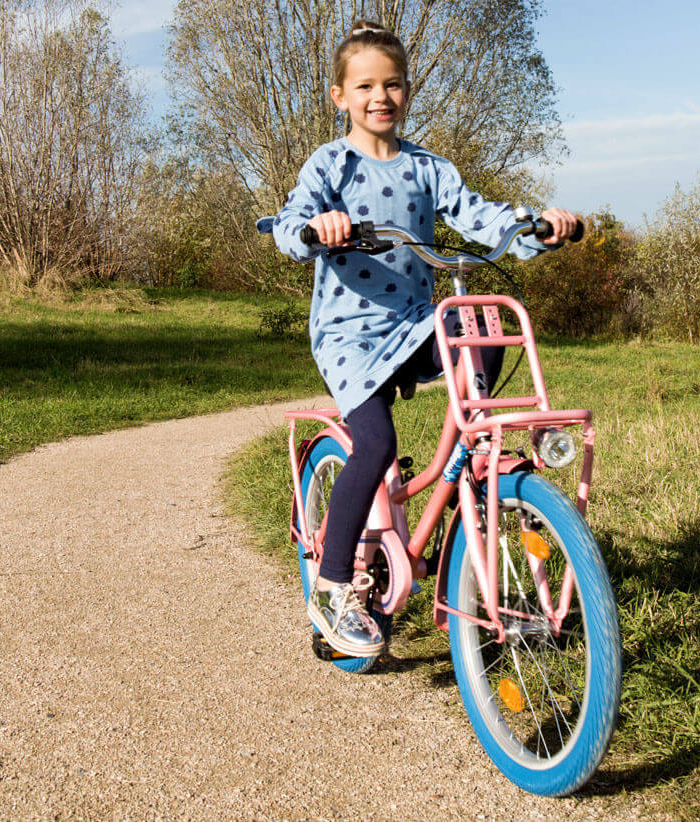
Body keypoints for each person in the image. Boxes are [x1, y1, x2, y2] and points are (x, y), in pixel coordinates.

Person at [271, 20, 579, 658]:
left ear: (407, 91)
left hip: (414, 322)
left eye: (392, 85)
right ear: (339, 96)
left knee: (480, 320)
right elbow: (292, 222)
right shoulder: (331, 164)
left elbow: (479, 214)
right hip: (350, 334)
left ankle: (479, 445)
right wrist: (316, 227)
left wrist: (535, 225)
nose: (379, 96)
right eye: (364, 86)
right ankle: (332, 587)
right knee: (376, 441)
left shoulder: (428, 168)